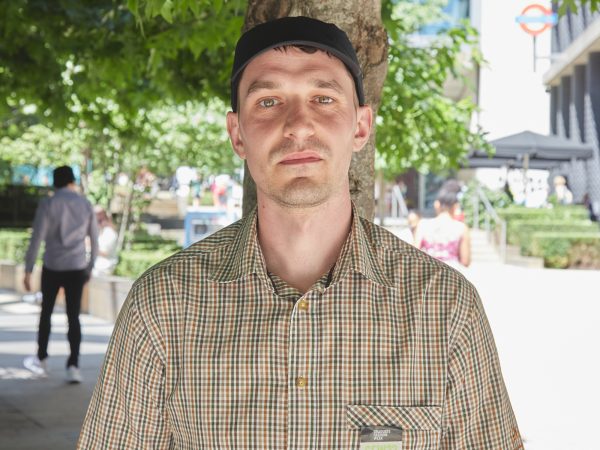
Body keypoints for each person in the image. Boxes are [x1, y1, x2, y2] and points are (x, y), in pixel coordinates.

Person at [79, 17, 522, 449]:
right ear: (237, 134)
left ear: (361, 126)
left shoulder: (444, 307)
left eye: (323, 99)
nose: (298, 125)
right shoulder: (163, 305)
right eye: (268, 101)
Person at [23, 165, 98, 384]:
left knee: (46, 313)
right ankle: (73, 365)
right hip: (76, 267)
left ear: (55, 182)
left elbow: (37, 238)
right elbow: (94, 240)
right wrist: (90, 267)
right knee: (73, 316)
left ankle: (42, 359)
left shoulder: (48, 203)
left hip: (53, 266)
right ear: (72, 181)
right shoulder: (85, 204)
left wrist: (28, 269)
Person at [415, 185, 471, 268]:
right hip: (452, 273)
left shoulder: (423, 224)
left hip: (429, 271)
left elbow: (415, 253)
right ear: (455, 206)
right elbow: (465, 261)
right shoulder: (461, 228)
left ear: (437, 204)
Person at [92, 206, 118, 276]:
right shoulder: (99, 231)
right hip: (97, 268)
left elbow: (105, 253)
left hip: (103, 269)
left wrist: (89, 245)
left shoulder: (109, 233)